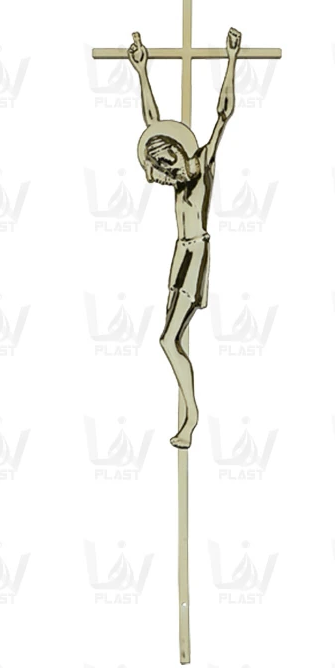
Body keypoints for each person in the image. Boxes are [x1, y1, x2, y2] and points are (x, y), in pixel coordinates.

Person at [128, 28, 241, 448]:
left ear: (181, 149)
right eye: (159, 164)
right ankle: (189, 414)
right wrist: (142, 71)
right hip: (181, 253)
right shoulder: (176, 179)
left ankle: (191, 416)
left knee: (168, 339)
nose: (166, 169)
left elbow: (223, 114)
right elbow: (152, 120)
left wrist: (231, 61)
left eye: (168, 159)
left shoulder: (203, 162)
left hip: (196, 251)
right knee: (171, 338)